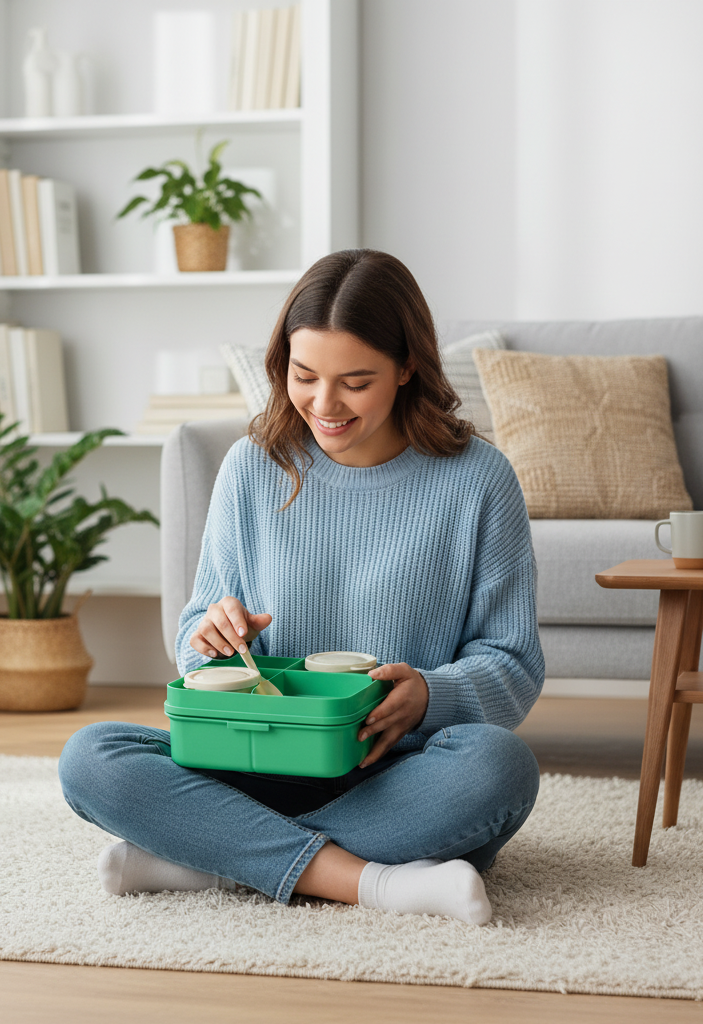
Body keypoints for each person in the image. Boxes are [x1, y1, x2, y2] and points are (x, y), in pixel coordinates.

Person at [59, 249, 543, 925]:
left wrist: (431, 694)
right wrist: (210, 639)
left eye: (355, 381)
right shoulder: (251, 467)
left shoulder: (479, 481)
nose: (324, 404)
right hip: (247, 761)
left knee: (499, 769)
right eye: (304, 374)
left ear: (408, 367)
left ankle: (206, 857)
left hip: (387, 767)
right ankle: (374, 881)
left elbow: (513, 664)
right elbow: (198, 637)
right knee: (92, 758)